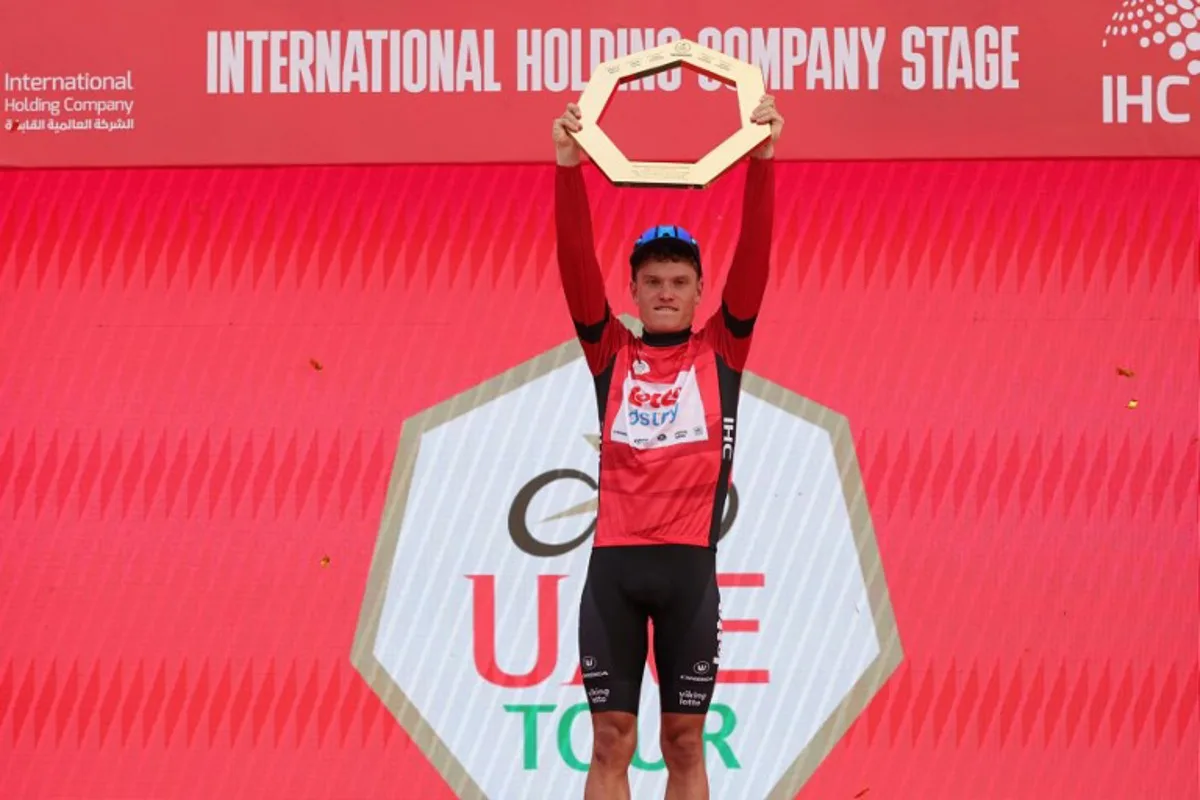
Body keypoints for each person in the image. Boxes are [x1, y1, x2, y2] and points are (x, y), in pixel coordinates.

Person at [552, 94, 783, 800]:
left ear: (698, 292)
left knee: (684, 742)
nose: (664, 294)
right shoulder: (609, 350)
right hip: (614, 570)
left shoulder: (722, 349)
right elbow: (573, 267)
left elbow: (755, 256)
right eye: (651, 282)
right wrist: (567, 168)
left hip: (689, 570)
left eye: (679, 283)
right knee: (609, 741)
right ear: (633, 289)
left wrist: (763, 163)